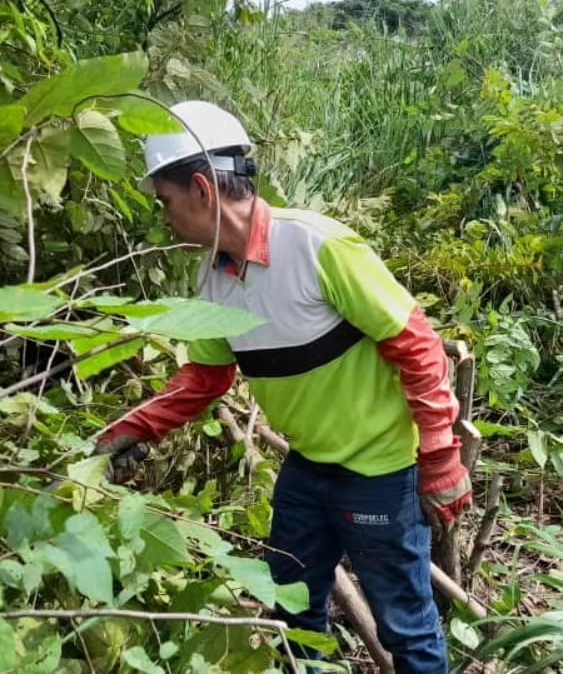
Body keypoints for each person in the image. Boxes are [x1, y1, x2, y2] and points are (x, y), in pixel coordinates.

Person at [96, 100, 472, 673]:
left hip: (380, 471)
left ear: (202, 188)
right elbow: (207, 376)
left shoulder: (317, 247)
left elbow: (416, 345)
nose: (163, 219)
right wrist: (133, 426)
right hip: (308, 468)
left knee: (404, 625)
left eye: (165, 202)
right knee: (289, 611)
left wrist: (441, 457)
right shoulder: (214, 277)